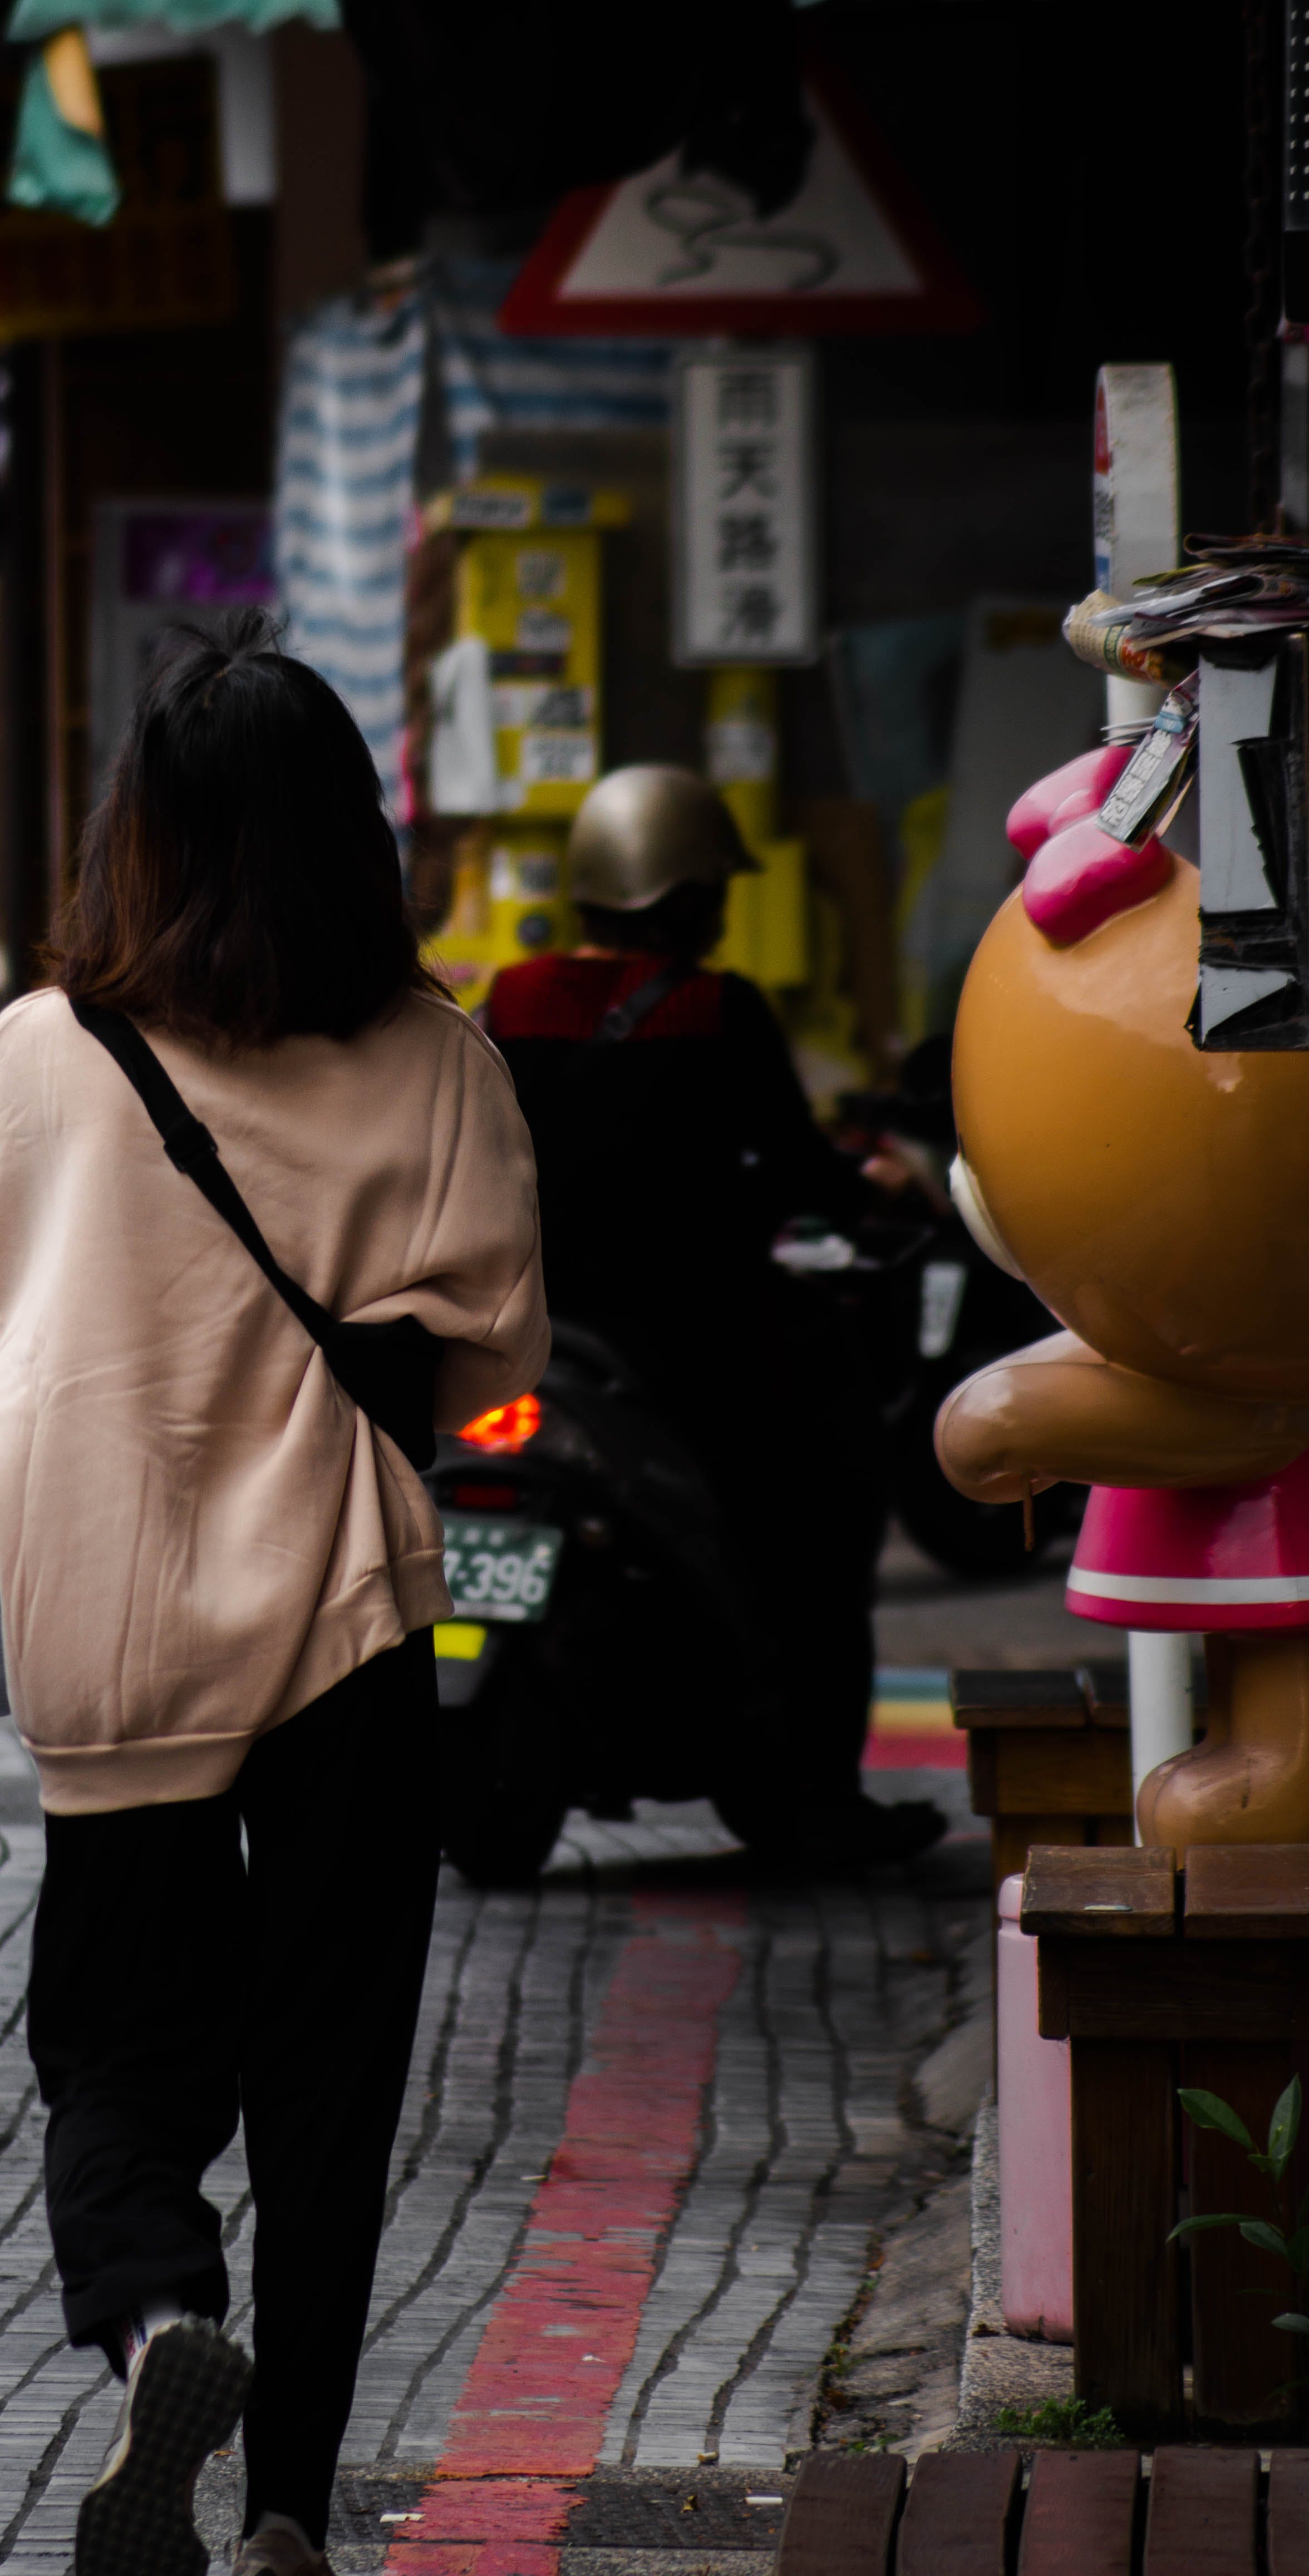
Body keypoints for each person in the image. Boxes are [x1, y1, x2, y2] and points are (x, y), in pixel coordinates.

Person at [0, 614, 547, 2576]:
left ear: (143, 833)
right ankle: (290, 2504)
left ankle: (152, 2318)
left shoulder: (44, 1052)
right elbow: (488, 1357)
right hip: (350, 1633)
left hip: (110, 1632)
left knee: (116, 2056)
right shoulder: (442, 1060)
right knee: (331, 2082)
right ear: (350, 837)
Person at [480, 761, 943, 1873]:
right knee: (823, 1525)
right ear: (682, 898)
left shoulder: (508, 999)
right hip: (698, 1348)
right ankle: (813, 1793)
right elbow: (794, 1174)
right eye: (713, 891)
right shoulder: (712, 1009)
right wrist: (874, 1187)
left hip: (535, 1338)